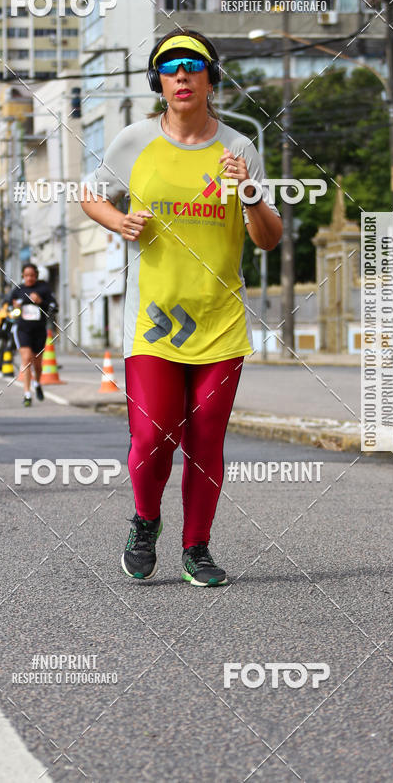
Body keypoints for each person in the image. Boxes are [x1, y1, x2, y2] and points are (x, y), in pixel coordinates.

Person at [81, 29, 282, 586]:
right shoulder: (134, 141)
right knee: (152, 438)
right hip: (152, 324)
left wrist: (250, 194)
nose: (182, 76)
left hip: (221, 323)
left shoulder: (239, 148)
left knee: (206, 441)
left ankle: (197, 549)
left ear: (211, 79)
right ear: (159, 83)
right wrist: (118, 220)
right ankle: (145, 521)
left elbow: (268, 238)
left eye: (192, 66)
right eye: (169, 68)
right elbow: (90, 194)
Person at [10, 264, 57, 407]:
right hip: (23, 329)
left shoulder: (44, 289)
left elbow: (54, 307)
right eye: (26, 275)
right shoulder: (18, 290)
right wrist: (14, 306)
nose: (29, 278)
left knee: (37, 364)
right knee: (26, 359)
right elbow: (8, 305)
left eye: (32, 275)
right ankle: (27, 394)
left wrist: (41, 302)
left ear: (36, 275)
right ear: (22, 276)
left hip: (39, 331)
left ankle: (37, 383)